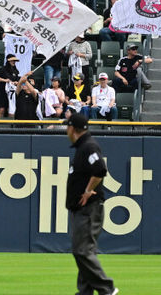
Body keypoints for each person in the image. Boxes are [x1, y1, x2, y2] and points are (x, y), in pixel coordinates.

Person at [63, 113, 117, 295]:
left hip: (89, 208)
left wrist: (87, 191)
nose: (66, 130)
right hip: (81, 209)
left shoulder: (89, 146)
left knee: (82, 251)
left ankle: (107, 290)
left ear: (73, 128)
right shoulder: (83, 147)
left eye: (67, 127)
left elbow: (100, 169)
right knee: (83, 251)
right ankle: (85, 292)